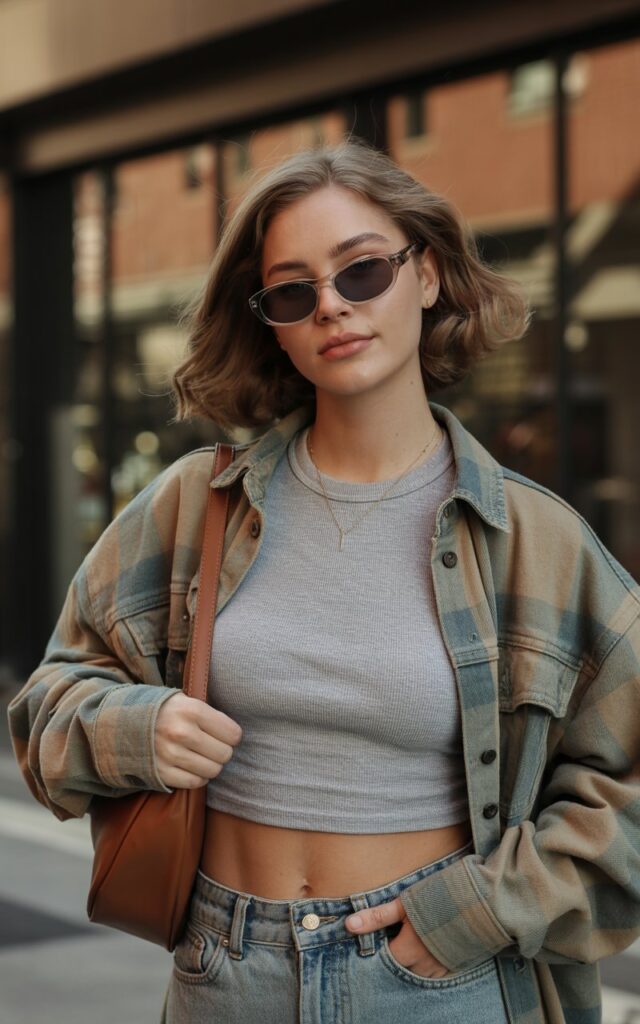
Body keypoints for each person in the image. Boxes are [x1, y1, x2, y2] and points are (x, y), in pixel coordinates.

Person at [8, 138, 640, 1024]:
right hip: (226, 970)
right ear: (269, 316)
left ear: (426, 275)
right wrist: (135, 729)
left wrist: (480, 910)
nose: (333, 309)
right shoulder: (195, 506)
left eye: (363, 272)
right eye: (295, 290)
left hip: (437, 978)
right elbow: (45, 709)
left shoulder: (535, 540)